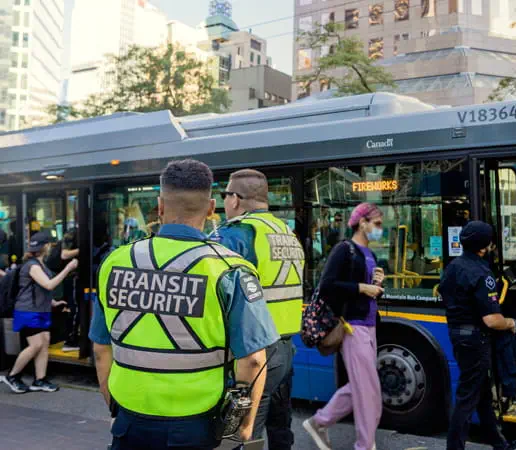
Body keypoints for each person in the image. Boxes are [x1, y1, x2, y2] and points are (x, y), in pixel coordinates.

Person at [89, 159, 279, 450]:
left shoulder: (115, 261)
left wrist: (115, 406)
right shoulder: (229, 269)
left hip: (130, 423)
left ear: (160, 206)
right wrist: (244, 425)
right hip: (199, 427)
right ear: (211, 207)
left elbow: (102, 350)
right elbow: (253, 360)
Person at [210, 169, 305, 449]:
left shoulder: (237, 234)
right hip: (286, 351)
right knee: (280, 431)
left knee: (237, 436)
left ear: (236, 199)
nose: (225, 202)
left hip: (254, 355)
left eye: (225, 195)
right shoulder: (286, 232)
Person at [303, 203, 385, 450]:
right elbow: (327, 285)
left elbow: (370, 294)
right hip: (352, 326)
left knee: (363, 387)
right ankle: (365, 446)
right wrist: (361, 287)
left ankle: (319, 422)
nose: (380, 229)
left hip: (369, 325)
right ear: (362, 223)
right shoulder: (344, 249)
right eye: (377, 224)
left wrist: (378, 286)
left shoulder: (370, 254)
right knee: (369, 393)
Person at [439, 220, 516, 450]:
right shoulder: (481, 273)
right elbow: (492, 320)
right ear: (484, 247)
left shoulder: (452, 267)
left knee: (482, 392)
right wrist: (511, 323)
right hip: (476, 340)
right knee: (467, 398)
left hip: (458, 336)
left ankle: (499, 443)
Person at [0, 231, 77, 394]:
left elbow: (40, 289)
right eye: (49, 244)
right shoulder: (32, 266)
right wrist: (68, 268)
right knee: (36, 344)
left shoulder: (40, 264)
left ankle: (39, 380)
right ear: (46, 247)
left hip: (40, 310)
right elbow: (48, 285)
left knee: (44, 341)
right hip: (28, 311)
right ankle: (13, 375)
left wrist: (53, 302)